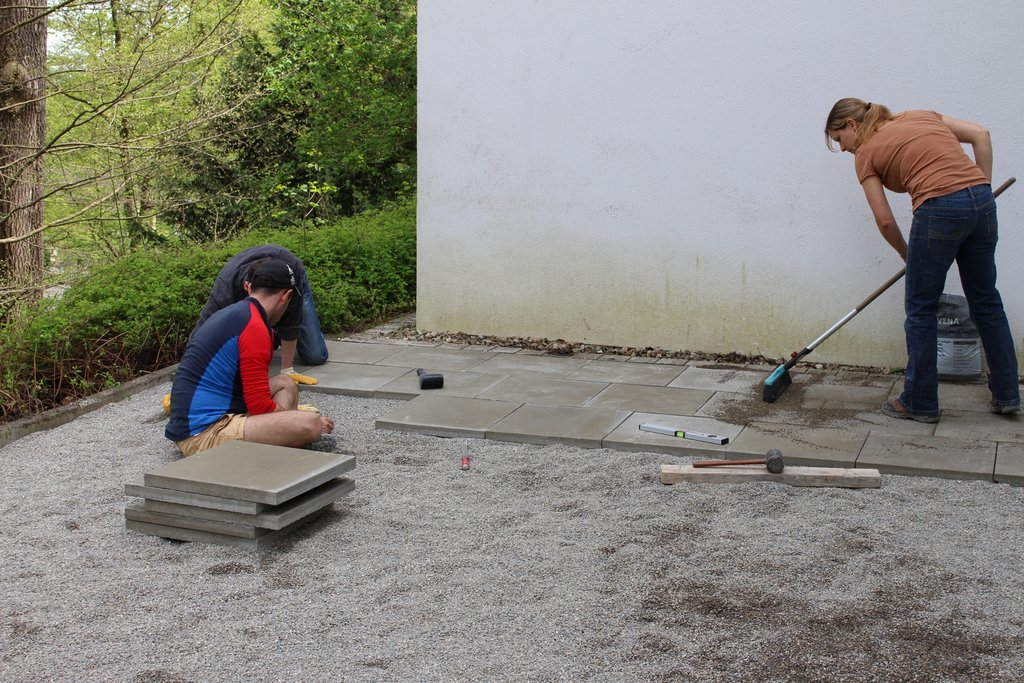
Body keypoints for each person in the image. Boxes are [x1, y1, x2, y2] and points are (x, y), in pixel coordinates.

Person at [824, 98, 1020, 422]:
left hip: (939, 208)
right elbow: (981, 134)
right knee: (986, 300)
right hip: (982, 205)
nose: (843, 148)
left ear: (852, 125)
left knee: (921, 307)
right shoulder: (919, 115)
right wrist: (981, 190)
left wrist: (907, 254)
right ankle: (1008, 394)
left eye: (839, 139)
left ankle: (919, 401)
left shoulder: (865, 154)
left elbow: (884, 221)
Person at [166, 258, 336, 456]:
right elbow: (260, 407)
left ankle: (283, 441)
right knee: (309, 423)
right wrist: (296, 421)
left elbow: (255, 394)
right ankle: (289, 441)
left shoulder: (239, 313)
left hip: (215, 414)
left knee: (285, 383)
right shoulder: (255, 327)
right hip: (202, 435)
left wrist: (287, 420)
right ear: (286, 296)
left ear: (249, 288)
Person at [194, 245, 329, 383]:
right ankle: (272, 336)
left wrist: (287, 370)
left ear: (285, 296)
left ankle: (275, 334)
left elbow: (291, 322)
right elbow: (203, 330)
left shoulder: (291, 280)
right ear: (247, 287)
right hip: (239, 274)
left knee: (315, 356)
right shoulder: (226, 289)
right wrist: (191, 373)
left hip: (291, 275)